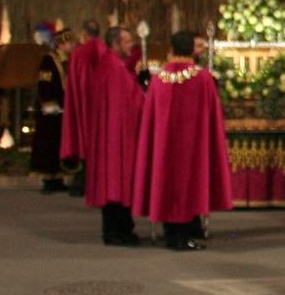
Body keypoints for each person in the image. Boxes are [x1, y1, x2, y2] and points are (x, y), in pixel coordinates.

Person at [133, 30, 232, 251]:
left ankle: (171, 234)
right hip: (192, 146)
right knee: (189, 185)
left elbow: (150, 116)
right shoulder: (202, 77)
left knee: (166, 183)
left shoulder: (159, 78)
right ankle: (184, 235)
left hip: (163, 146)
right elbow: (212, 114)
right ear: (190, 49)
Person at [84, 26, 146, 246]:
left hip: (108, 136)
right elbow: (134, 102)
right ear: (116, 43)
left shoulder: (109, 65)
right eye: (127, 41)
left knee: (111, 185)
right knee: (118, 183)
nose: (132, 46)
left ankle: (113, 230)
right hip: (118, 139)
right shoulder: (116, 68)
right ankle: (119, 231)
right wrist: (145, 88)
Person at [58, 20, 104, 196]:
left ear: (84, 34)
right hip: (102, 106)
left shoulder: (79, 54)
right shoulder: (105, 51)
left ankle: (84, 180)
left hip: (83, 107)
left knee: (84, 139)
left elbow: (76, 84)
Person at [29, 27, 73, 193]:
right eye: (69, 42)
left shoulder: (67, 60)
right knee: (48, 144)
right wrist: (49, 104)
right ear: (61, 44)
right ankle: (48, 179)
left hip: (63, 109)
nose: (71, 45)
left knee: (58, 144)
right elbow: (45, 84)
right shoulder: (49, 60)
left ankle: (58, 177)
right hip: (51, 110)